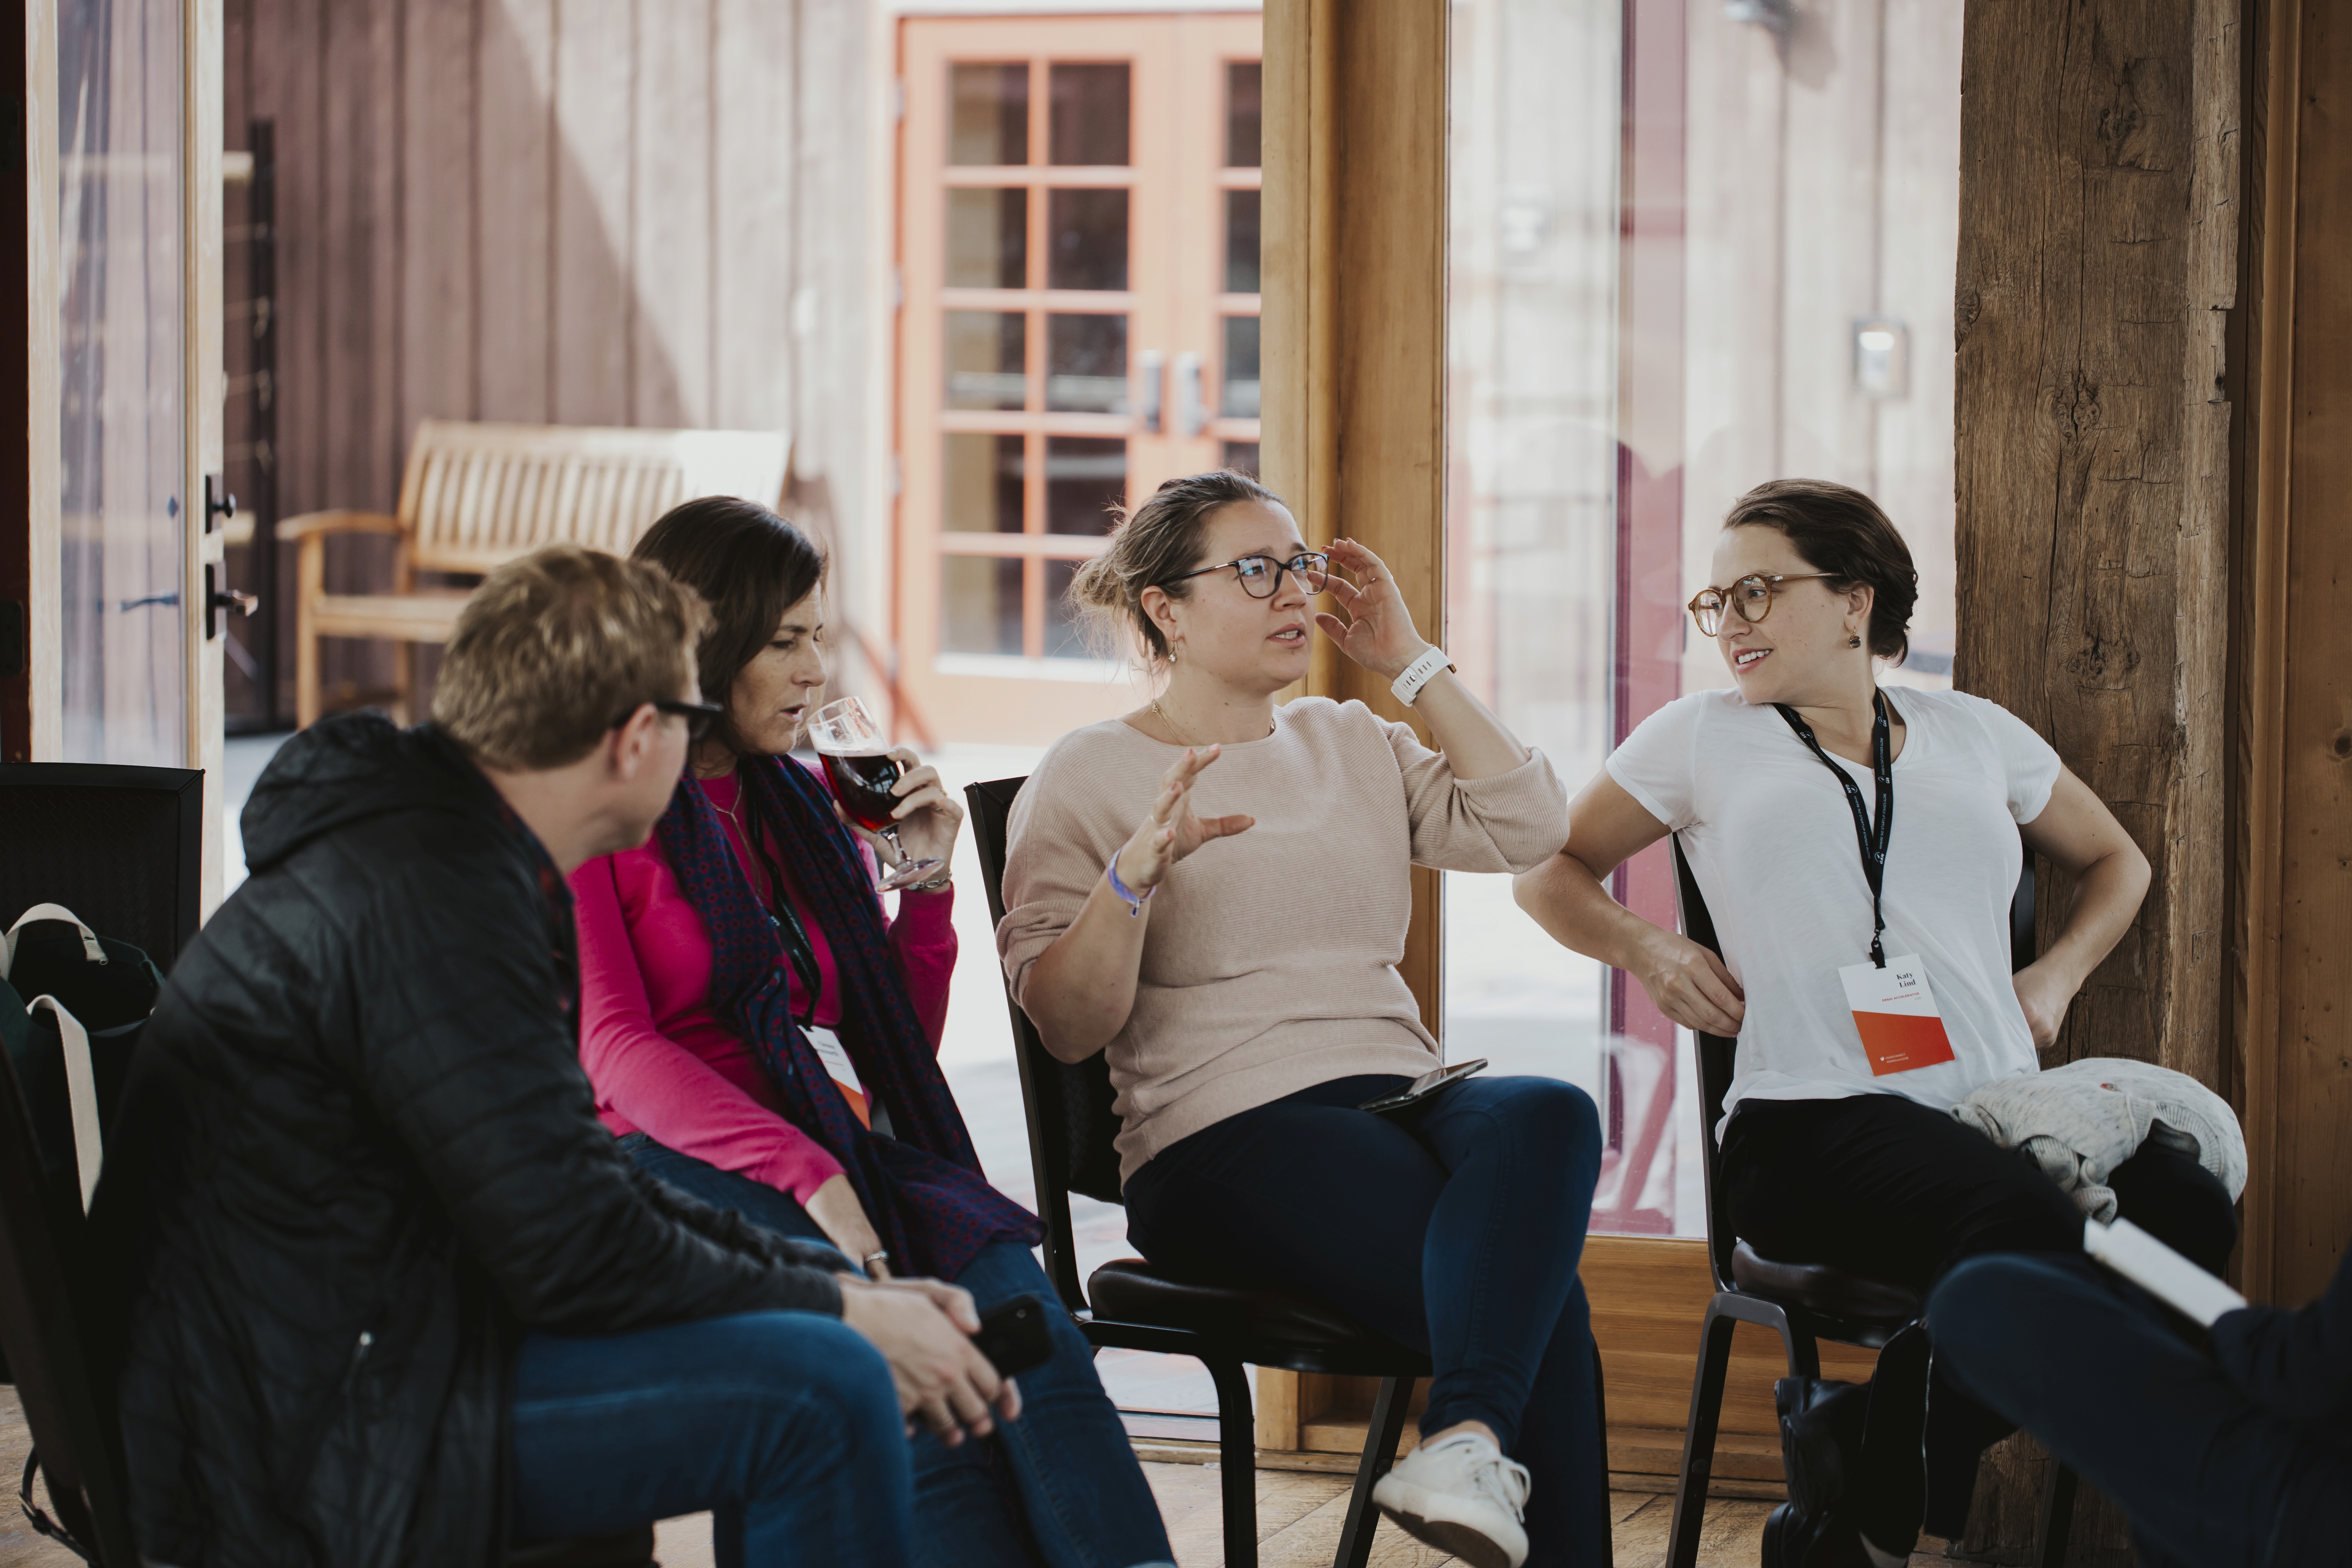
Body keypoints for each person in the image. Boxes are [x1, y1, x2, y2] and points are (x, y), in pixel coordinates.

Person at [88, 545, 1016, 1568]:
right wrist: (843, 1306)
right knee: (826, 1389)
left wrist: (839, 1288)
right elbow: (572, 1249)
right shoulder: (435, 899)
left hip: (358, 1356)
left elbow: (569, 1189)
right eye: (691, 722)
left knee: (825, 1352)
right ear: (635, 741)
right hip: (300, 1432)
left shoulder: (440, 852)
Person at [1511, 478, 2241, 1567]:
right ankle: (1910, 1519)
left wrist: (2052, 979)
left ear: (1857, 602)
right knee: (2038, 1230)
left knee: (2185, 1210)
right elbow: (1548, 869)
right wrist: (1649, 949)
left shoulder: (1975, 731)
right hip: (1810, 1125)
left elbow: (2116, 861)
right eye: (1718, 604)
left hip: (1995, 1113)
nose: (1732, 623)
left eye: (1758, 591)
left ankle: (1863, 1445)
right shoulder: (1701, 737)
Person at [999, 469, 1603, 1568]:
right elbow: (1068, 1027)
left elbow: (1527, 826)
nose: (1293, 592)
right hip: (1219, 1136)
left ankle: (1464, 1434)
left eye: (1300, 566)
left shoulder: (1348, 739)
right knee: (1540, 1303)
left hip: (1397, 1096)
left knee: (1549, 1110)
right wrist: (1131, 883)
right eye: (1254, 569)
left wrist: (1413, 662)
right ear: (1163, 610)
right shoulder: (1088, 773)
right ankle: (1468, 1434)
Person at [571, 497, 1174, 1568]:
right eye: (786, 641)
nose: (815, 671)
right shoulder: (605, 807)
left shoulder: (804, 810)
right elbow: (616, 1046)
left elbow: (893, 1041)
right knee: (903, 1371)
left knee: (1025, 1324)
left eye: (821, 637)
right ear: (702, 646)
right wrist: (805, 1172)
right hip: (674, 1168)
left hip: (839, 1147)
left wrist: (928, 884)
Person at [1929, 1246, 2352, 1568]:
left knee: (1974, 1298)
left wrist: (2239, 1330)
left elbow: (2319, 1369)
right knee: (2158, 1522)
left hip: (2318, 1503)